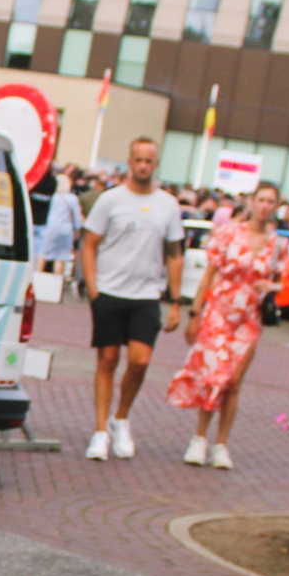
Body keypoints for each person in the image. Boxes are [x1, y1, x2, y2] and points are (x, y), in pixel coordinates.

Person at [78, 136, 185, 462]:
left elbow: (175, 253)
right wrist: (93, 290)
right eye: (138, 159)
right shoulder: (110, 200)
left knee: (140, 361)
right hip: (110, 291)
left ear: (156, 164)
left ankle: (120, 417)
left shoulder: (168, 204)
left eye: (149, 161)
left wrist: (176, 300)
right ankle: (100, 432)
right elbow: (89, 245)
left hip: (146, 295)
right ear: (129, 161)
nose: (143, 166)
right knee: (107, 359)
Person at [169, 179, 288, 469]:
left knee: (234, 381)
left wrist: (270, 287)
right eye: (260, 199)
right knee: (213, 375)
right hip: (219, 311)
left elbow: (283, 282)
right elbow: (209, 273)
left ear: (276, 206)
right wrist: (196, 313)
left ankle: (221, 443)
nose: (264, 206)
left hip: (248, 316)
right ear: (252, 201)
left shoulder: (278, 244)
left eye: (270, 201)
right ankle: (199, 438)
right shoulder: (229, 234)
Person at [37, 172, 84, 285]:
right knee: (61, 257)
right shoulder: (73, 198)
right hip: (66, 229)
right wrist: (77, 229)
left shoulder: (53, 197)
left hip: (52, 226)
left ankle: (38, 280)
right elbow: (77, 217)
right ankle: (56, 284)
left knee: (44, 254)